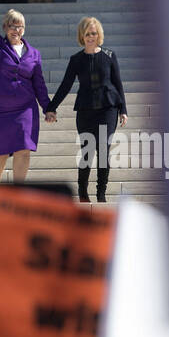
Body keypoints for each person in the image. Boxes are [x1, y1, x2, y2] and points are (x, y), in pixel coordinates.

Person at [44, 17, 127, 202]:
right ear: (82, 36)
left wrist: (124, 110)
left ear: (99, 35)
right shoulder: (76, 60)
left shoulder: (109, 56)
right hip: (85, 110)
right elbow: (65, 85)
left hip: (108, 109)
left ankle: (101, 193)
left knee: (104, 150)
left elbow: (118, 83)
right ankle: (82, 191)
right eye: (87, 34)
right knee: (87, 150)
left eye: (94, 33)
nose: (91, 37)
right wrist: (51, 108)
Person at [0, 0, 51, 184]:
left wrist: (48, 108)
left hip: (25, 108)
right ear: (5, 28)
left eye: (19, 26)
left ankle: (18, 192)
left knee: (23, 149)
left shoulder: (34, 54)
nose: (15, 30)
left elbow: (39, 84)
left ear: (24, 29)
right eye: (11, 26)